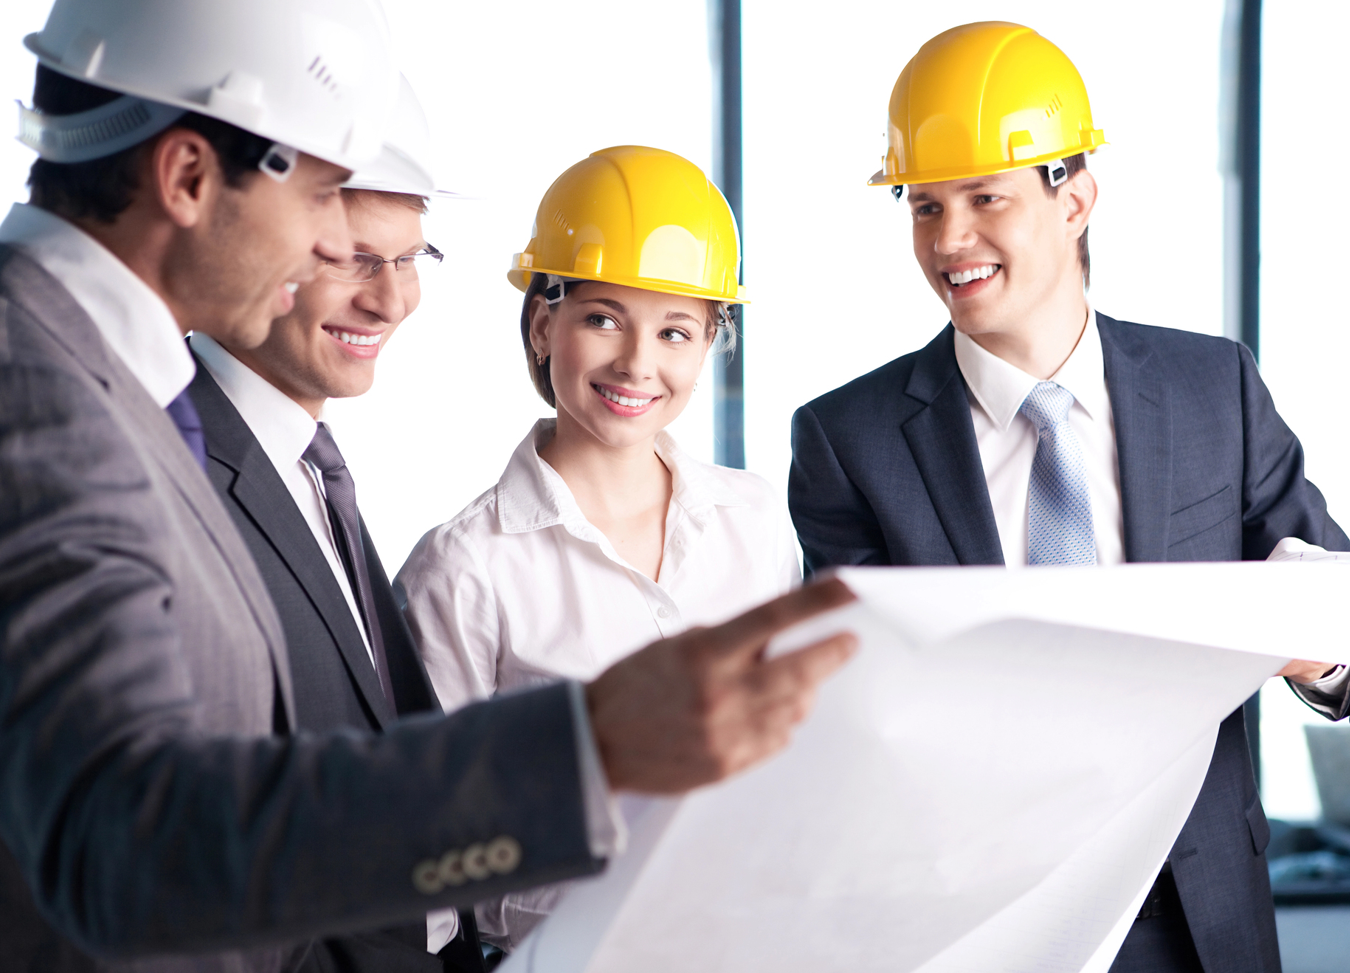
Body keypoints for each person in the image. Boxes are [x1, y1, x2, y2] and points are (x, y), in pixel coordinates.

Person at [0, 3, 856, 970]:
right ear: (189, 176)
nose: (336, 250)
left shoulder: (115, 389)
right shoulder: (37, 393)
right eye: (327, 197)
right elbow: (126, 844)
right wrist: (589, 750)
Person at [787, 22, 1350, 973]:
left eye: (984, 198)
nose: (948, 240)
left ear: (1075, 199)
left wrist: (1320, 655)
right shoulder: (848, 439)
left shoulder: (1213, 385)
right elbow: (862, 706)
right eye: (923, 207)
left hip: (1201, 908)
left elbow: (1339, 614)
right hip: (983, 919)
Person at [397, 146, 801, 950]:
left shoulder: (752, 521)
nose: (637, 364)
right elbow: (428, 847)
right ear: (544, 325)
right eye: (602, 317)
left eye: (676, 330)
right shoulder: (465, 567)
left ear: (711, 342)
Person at [185, 78, 486, 972]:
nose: (391, 301)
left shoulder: (307, 467)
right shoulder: (174, 467)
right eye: (353, 258)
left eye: (412, 258)